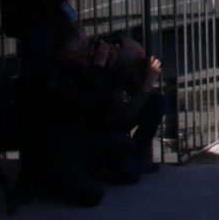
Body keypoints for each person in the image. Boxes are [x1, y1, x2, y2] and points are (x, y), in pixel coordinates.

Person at [20, 24, 139, 207]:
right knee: (92, 194)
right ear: (69, 53)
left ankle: (85, 169)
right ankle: (47, 181)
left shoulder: (77, 66)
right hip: (53, 151)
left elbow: (103, 97)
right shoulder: (50, 74)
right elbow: (83, 103)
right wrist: (98, 67)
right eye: (86, 47)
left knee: (128, 154)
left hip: (77, 141)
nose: (91, 51)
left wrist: (108, 68)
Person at [89, 36, 167, 173]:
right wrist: (147, 84)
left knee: (158, 101)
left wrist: (143, 76)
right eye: (137, 63)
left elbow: (139, 98)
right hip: (100, 132)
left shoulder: (122, 71)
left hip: (113, 122)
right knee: (131, 172)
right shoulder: (105, 75)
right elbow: (126, 113)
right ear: (126, 67)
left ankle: (137, 156)